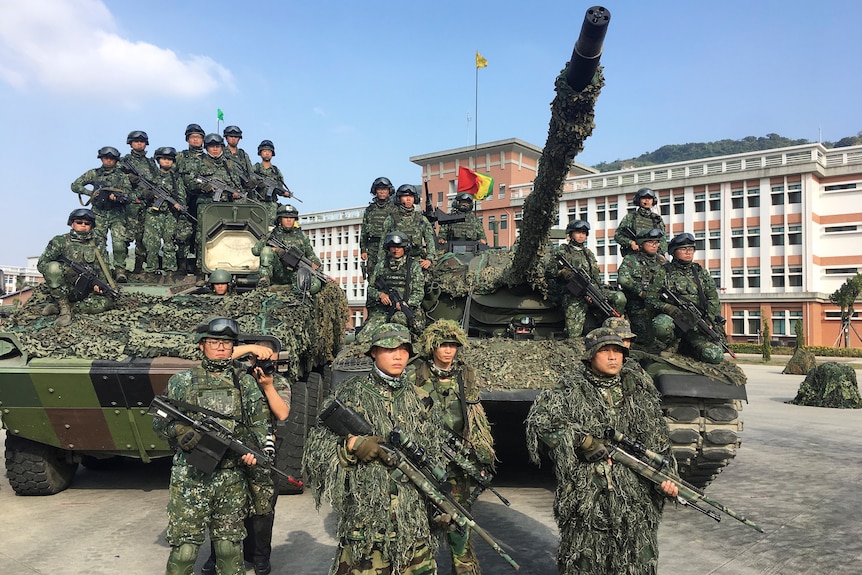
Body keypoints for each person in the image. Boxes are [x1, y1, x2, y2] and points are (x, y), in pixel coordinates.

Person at [525, 327, 678, 575]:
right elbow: (540, 424)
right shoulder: (570, 389)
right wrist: (583, 441)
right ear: (590, 356)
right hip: (586, 498)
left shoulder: (638, 391)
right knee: (585, 563)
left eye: (617, 351)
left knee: (636, 564)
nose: (612, 357)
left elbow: (659, 442)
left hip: (634, 501)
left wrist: (668, 480)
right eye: (605, 351)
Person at [303, 322, 446, 575]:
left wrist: (439, 506)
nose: (398, 355)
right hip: (365, 525)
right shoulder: (350, 394)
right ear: (373, 353)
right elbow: (316, 450)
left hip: (411, 525)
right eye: (389, 349)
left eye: (403, 349)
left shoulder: (421, 398)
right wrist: (352, 447)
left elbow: (433, 457)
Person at [152, 317, 272, 575]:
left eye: (227, 343)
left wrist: (257, 453)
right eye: (215, 342)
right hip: (190, 478)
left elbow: (260, 425)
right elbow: (159, 423)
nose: (221, 347)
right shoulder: (182, 382)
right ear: (201, 346)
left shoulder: (245, 383)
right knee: (184, 552)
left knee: (229, 550)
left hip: (231, 479)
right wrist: (180, 430)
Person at [201, 340, 291, 575]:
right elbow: (215, 360)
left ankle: (259, 557)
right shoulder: (234, 377)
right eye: (258, 359)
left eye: (268, 359)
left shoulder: (278, 382)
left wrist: (268, 386)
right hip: (231, 448)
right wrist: (250, 349)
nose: (263, 363)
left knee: (262, 508)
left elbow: (282, 413)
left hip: (263, 450)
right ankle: (218, 554)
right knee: (223, 505)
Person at [414, 320, 495, 575]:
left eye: (453, 345)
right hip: (425, 461)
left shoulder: (465, 374)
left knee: (459, 522)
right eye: (443, 345)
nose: (448, 351)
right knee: (421, 524)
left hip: (457, 458)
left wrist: (481, 453)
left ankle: (464, 568)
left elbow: (475, 414)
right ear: (431, 346)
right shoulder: (416, 373)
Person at [648, 233, 726, 364]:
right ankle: (673, 344)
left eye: (691, 249)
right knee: (661, 324)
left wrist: (709, 319)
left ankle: (691, 347)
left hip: (696, 324)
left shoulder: (700, 272)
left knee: (715, 355)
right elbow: (650, 299)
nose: (688, 252)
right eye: (684, 249)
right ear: (673, 252)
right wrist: (669, 307)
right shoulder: (663, 272)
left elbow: (713, 299)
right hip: (674, 322)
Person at [36, 208, 114, 327]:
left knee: (106, 303)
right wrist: (68, 271)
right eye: (79, 222)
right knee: (53, 267)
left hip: (86, 291)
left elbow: (104, 270)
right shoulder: (60, 241)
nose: (83, 225)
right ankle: (64, 309)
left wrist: (99, 286)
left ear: (92, 226)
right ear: (72, 223)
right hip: (64, 288)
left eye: (87, 223)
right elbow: (42, 265)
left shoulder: (98, 245)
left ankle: (70, 308)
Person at [70, 146, 136, 283]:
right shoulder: (94, 174)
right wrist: (91, 193)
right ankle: (102, 271)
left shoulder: (121, 176)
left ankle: (120, 271)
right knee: (98, 244)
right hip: (99, 213)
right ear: (101, 159)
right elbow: (75, 185)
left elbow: (129, 195)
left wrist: (117, 197)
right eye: (106, 158)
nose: (108, 160)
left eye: (111, 158)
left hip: (116, 213)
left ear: (116, 160)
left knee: (119, 243)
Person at [554, 220, 626, 339]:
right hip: (572, 294)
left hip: (592, 289)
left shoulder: (588, 253)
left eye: (584, 233)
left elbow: (596, 277)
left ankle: (614, 329)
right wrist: (564, 272)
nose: (581, 235)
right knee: (574, 334)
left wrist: (597, 292)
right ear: (571, 234)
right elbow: (551, 271)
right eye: (578, 232)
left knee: (618, 298)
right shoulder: (563, 250)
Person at [361, 232, 425, 342]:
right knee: (363, 337)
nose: (395, 250)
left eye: (399, 247)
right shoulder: (381, 265)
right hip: (383, 310)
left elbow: (419, 291)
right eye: (393, 247)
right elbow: (370, 288)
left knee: (400, 322)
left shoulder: (413, 266)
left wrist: (407, 303)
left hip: (407, 309)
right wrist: (380, 295)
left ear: (405, 248)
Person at [141, 146, 189, 280]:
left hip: (170, 214)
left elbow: (181, 196)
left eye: (169, 159)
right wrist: (150, 194)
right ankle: (151, 271)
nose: (167, 162)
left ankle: (169, 272)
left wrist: (179, 205)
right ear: (158, 160)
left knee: (169, 244)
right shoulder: (151, 176)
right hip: (153, 214)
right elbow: (140, 191)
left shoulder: (175, 179)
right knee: (152, 244)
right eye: (164, 159)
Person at [616, 228, 666, 347]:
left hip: (658, 304)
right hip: (638, 305)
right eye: (651, 242)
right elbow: (623, 279)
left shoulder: (661, 261)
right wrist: (641, 292)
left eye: (657, 242)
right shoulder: (631, 259)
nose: (655, 245)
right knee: (645, 340)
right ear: (642, 243)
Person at [252, 204, 320, 289]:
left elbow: (311, 255)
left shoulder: (302, 236)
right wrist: (274, 250)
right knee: (266, 250)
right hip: (276, 272)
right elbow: (255, 251)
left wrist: (316, 262)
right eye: (285, 217)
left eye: (291, 218)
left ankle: (295, 293)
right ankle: (265, 278)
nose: (289, 220)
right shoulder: (272, 234)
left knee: (315, 285)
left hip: (295, 273)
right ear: (280, 219)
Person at [122, 130, 158, 274]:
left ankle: (138, 267)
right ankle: (121, 268)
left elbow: (156, 180)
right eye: (136, 141)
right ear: (130, 143)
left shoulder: (150, 163)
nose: (139, 143)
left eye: (142, 141)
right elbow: (120, 183)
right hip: (131, 205)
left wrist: (150, 193)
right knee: (126, 237)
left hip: (147, 205)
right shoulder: (124, 161)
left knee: (143, 238)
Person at [174, 123, 206, 274]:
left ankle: (200, 264)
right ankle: (182, 263)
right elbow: (171, 176)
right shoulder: (180, 157)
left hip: (203, 201)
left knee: (202, 233)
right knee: (183, 234)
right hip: (184, 199)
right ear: (187, 139)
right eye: (193, 137)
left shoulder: (207, 159)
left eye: (198, 137)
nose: (195, 140)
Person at [381, 184, 437, 270]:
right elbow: (382, 243)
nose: (408, 199)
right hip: (395, 262)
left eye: (411, 196)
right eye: (405, 196)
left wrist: (429, 259)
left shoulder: (421, 219)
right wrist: (381, 263)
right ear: (399, 198)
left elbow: (430, 241)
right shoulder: (391, 219)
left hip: (417, 261)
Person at [360, 177, 399, 278]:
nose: (382, 192)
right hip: (373, 247)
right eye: (379, 189)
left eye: (384, 189)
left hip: (389, 247)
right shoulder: (370, 210)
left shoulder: (395, 209)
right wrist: (363, 250)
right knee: (373, 276)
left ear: (389, 191)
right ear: (375, 191)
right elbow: (364, 231)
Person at [614, 187, 668, 258]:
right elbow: (618, 235)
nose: (647, 200)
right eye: (644, 198)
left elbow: (663, 238)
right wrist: (630, 243)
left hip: (653, 257)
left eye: (650, 198)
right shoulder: (631, 217)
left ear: (653, 200)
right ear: (638, 200)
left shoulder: (657, 219)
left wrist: (661, 253)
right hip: (635, 256)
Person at [253, 140, 291, 221]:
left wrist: (284, 193)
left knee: (271, 227)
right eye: (264, 151)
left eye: (269, 151)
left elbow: (280, 186)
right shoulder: (255, 168)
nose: (267, 153)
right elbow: (249, 181)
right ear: (260, 153)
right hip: (257, 203)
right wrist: (259, 184)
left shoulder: (276, 171)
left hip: (272, 205)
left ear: (272, 154)